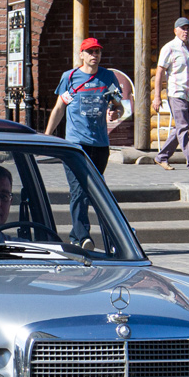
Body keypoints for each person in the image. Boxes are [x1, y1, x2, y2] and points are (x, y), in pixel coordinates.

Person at [44, 37, 123, 250]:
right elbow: (59, 108)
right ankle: (80, 236)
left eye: (97, 52)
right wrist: (47, 135)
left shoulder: (108, 77)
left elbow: (118, 105)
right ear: (81, 55)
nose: (94, 56)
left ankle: (112, 237)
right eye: (90, 52)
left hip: (99, 145)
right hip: (75, 145)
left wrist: (116, 112)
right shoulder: (69, 77)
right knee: (78, 189)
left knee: (97, 190)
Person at [153, 16, 189, 171]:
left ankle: (161, 157)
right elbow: (159, 72)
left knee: (179, 128)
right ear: (175, 30)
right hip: (176, 93)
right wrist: (157, 97)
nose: (186, 31)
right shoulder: (169, 48)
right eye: (183, 28)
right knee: (183, 127)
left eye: (188, 28)